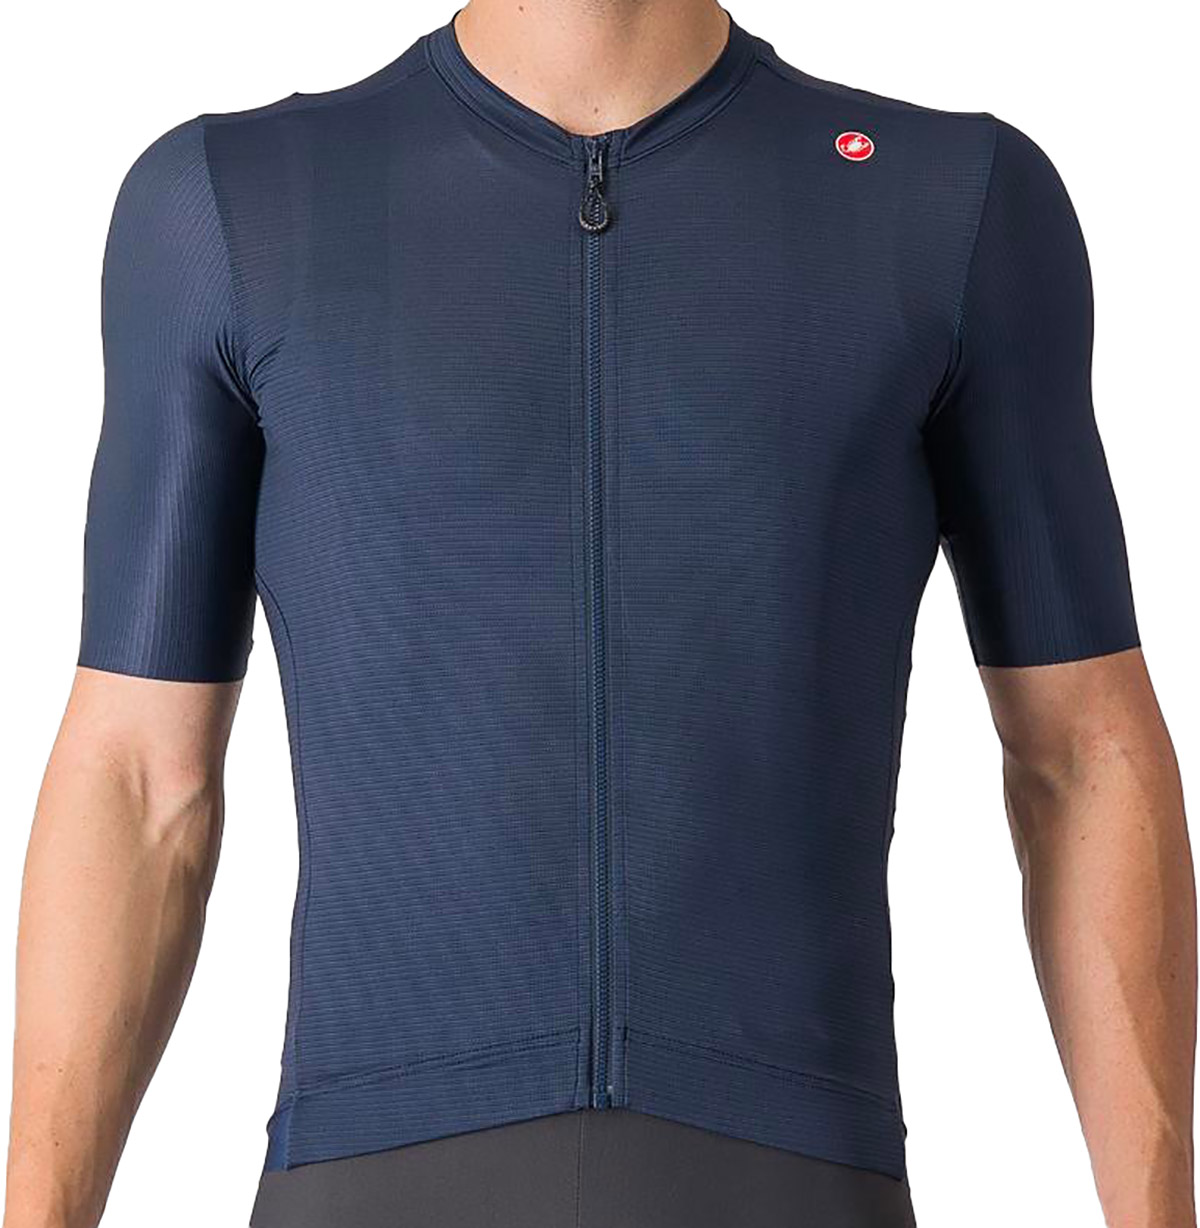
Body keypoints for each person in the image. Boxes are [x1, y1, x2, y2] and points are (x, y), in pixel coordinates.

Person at [2, 1, 1194, 1225]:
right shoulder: (234, 206)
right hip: (371, 1164)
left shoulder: (949, 203)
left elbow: (1082, 749)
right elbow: (137, 776)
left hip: (790, 1169)